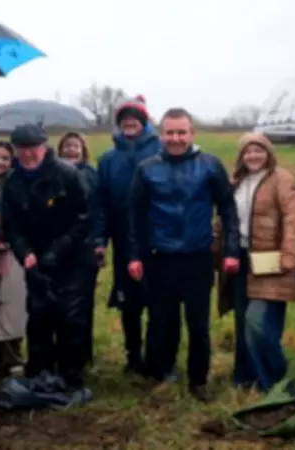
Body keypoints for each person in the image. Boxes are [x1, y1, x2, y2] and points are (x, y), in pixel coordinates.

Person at [127, 108, 239, 402]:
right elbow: (135, 216)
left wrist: (230, 250)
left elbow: (228, 210)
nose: (176, 138)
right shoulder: (147, 168)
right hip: (159, 257)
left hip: (197, 258)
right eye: (170, 133)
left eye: (181, 132)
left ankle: (198, 380)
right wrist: (134, 256)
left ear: (192, 134)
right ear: (161, 134)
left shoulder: (210, 166)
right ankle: (160, 371)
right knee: (161, 320)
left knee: (198, 324)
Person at [0, 124, 93, 400]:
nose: (28, 154)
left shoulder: (67, 174)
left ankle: (71, 377)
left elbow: (83, 217)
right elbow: (12, 225)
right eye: (22, 149)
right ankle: (40, 372)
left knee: (70, 316)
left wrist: (59, 250)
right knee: (39, 314)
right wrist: (25, 253)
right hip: (35, 258)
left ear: (44, 147)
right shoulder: (12, 183)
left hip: (73, 257)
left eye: (33, 148)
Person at [214, 133, 295, 392]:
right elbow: (226, 219)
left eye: (258, 151)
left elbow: (293, 219)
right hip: (239, 260)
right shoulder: (236, 182)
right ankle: (244, 378)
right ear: (241, 156)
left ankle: (277, 381)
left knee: (259, 323)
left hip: (272, 262)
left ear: (268, 153)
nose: (253, 156)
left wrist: (289, 255)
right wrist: (216, 248)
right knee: (243, 322)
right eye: (247, 152)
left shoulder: (282, 179)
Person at [92, 96, 164, 375]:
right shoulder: (108, 160)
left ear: (144, 122)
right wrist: (100, 241)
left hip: (157, 241)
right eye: (124, 119)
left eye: (134, 119)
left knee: (158, 302)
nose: (129, 123)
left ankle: (158, 357)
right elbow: (100, 204)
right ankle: (133, 357)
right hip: (123, 242)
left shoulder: (161, 151)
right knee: (129, 304)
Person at [58, 131, 100, 365]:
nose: (71, 150)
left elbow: (99, 210)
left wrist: (99, 242)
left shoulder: (92, 175)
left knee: (84, 302)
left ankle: (84, 353)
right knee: (61, 303)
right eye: (67, 146)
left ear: (83, 150)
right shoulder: (53, 174)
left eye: (76, 146)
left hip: (86, 246)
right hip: (60, 247)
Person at [0, 141, 27, 376]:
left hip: (12, 251)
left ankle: (13, 356)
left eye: (4, 158)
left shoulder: (18, 186)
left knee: (13, 305)